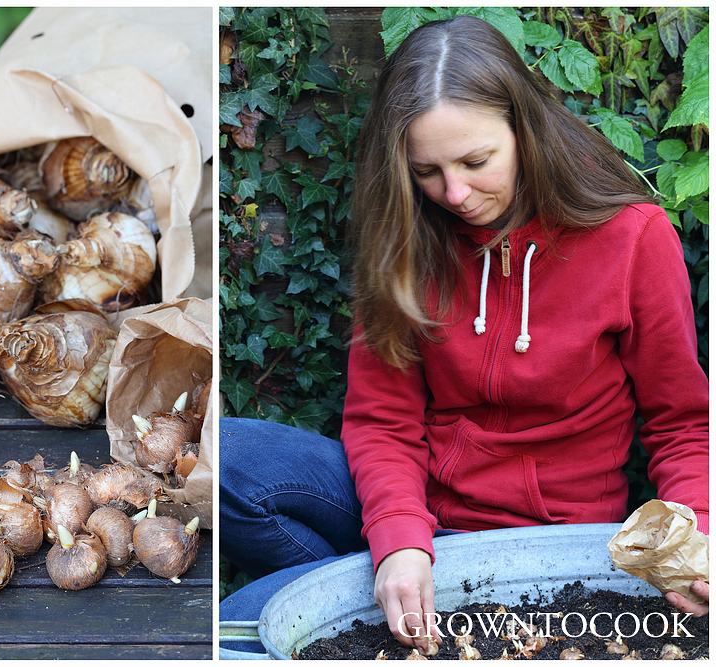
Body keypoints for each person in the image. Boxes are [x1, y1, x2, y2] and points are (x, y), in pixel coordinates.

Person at [220, 15, 709, 655]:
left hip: (553, 541)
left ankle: (361, 597)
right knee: (220, 452)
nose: (454, 193)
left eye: (477, 161)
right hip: (425, 505)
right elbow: (382, 420)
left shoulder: (634, 239)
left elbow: (683, 424)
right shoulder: (407, 237)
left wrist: (699, 537)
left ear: (524, 130)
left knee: (247, 630)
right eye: (427, 170)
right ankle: (382, 583)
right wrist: (398, 538)